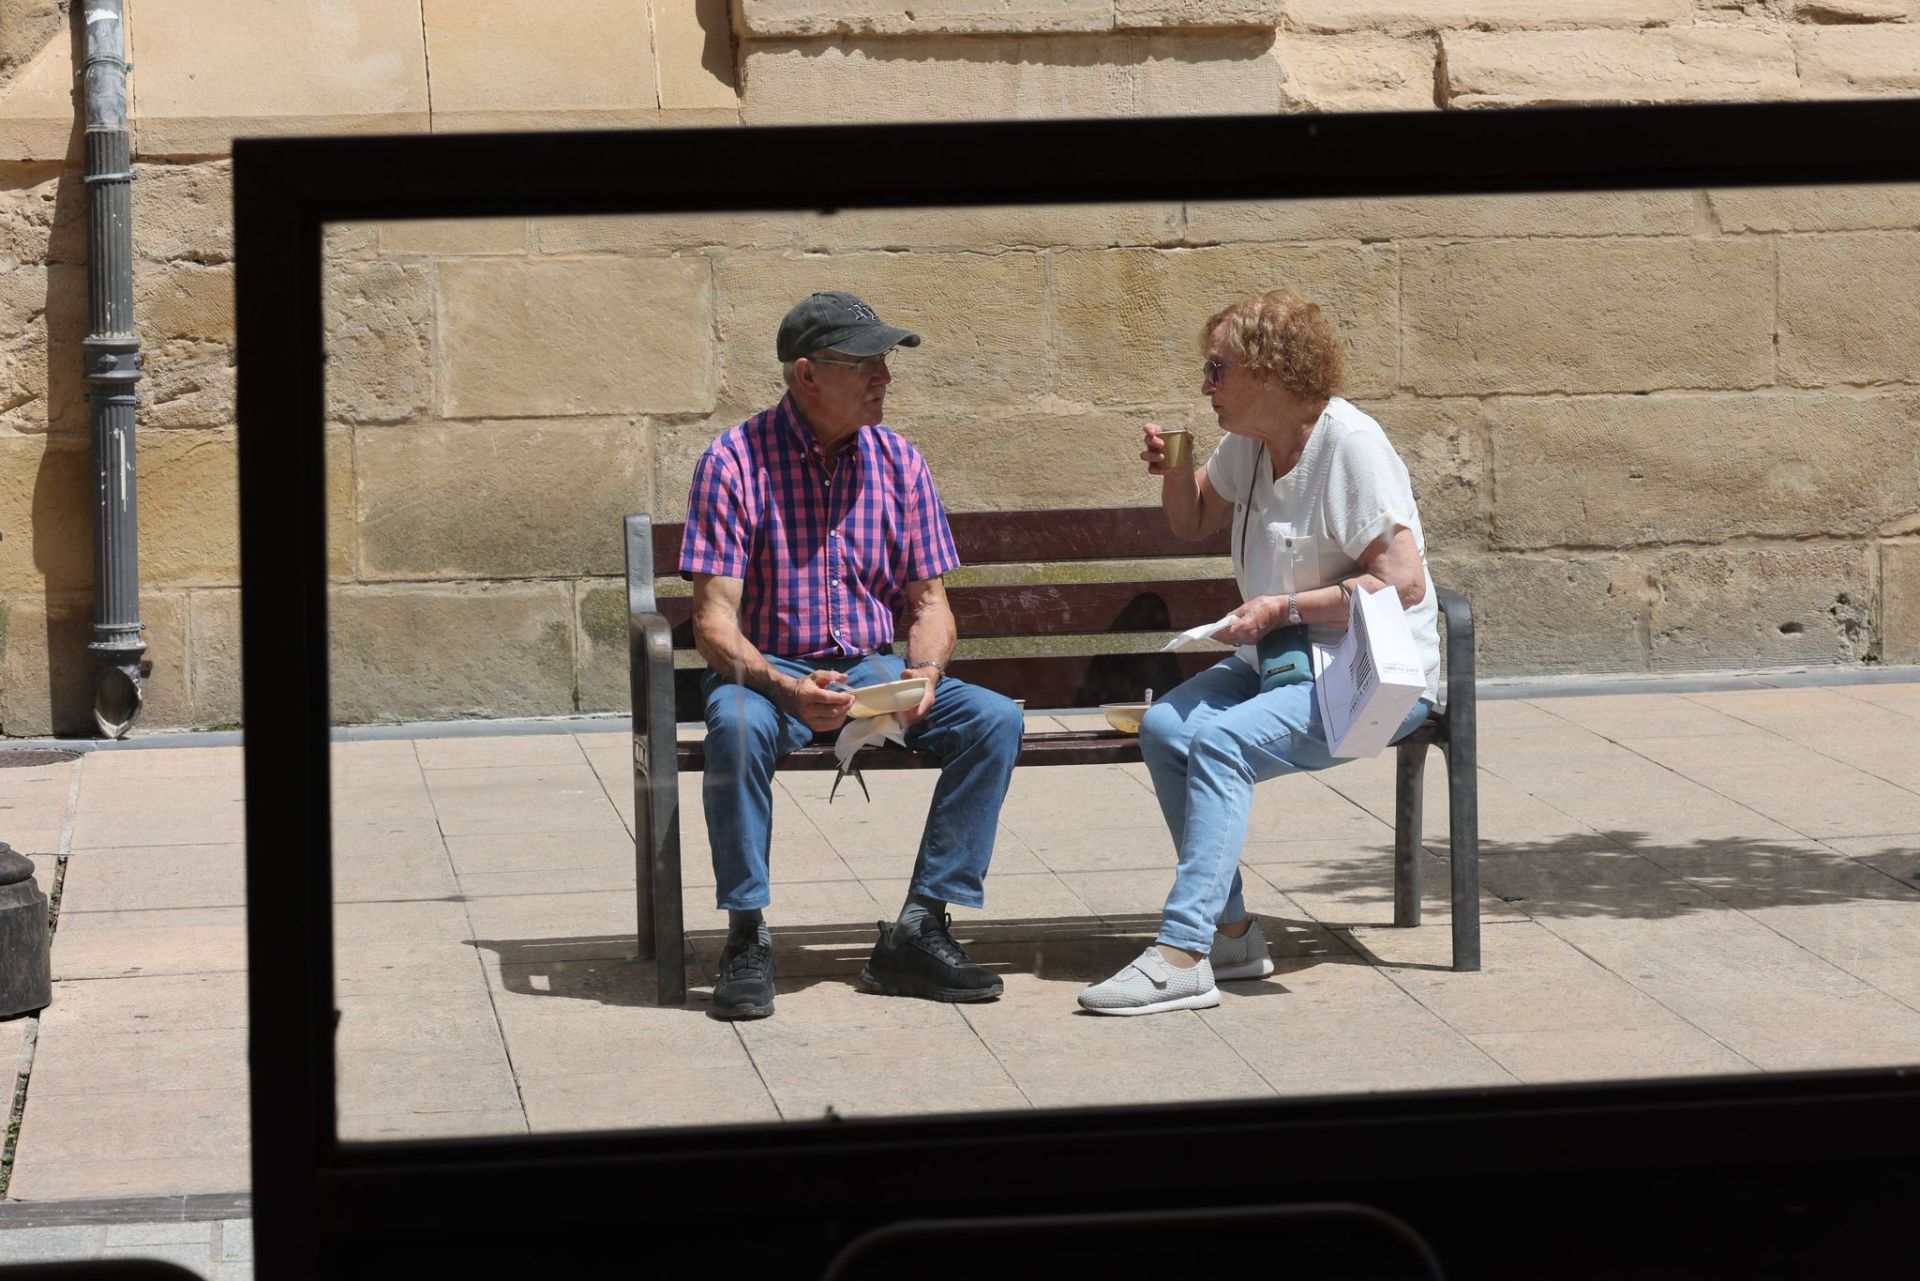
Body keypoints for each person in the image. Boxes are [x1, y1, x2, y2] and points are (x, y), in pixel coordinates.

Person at [1077, 288, 1441, 1016]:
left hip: (1362, 678)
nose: (1205, 384)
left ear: (1270, 371)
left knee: (1219, 744)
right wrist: (1175, 472)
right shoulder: (1248, 442)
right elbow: (1192, 520)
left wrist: (1286, 607)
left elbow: (1402, 584)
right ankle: (1235, 934)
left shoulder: (1351, 447)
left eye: (1217, 369)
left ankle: (1183, 952)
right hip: (1272, 661)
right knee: (1166, 728)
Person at [680, 290, 1024, 1021]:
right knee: (736, 727)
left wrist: (925, 672)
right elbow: (713, 625)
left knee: (992, 720)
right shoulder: (733, 462)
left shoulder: (899, 461)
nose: (884, 378)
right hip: (766, 670)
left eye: (885, 362)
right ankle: (746, 934)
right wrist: (785, 686)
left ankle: (919, 927)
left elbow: (930, 604)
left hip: (870, 671)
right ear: (807, 375)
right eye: (865, 363)